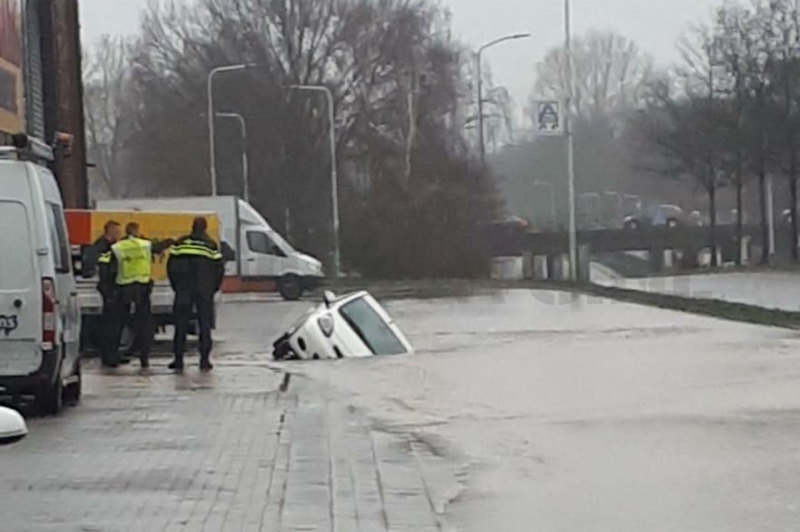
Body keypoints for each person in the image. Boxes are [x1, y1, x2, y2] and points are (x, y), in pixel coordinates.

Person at [103, 222, 169, 370]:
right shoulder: (145, 244)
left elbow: (109, 269)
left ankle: (112, 357)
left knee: (117, 324)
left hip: (123, 289)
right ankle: (144, 358)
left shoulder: (117, 247)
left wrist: (110, 289)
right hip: (142, 288)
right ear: (137, 231)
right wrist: (172, 241)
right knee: (144, 324)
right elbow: (159, 247)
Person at [167, 217, 224, 372]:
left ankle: (178, 360)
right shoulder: (211, 245)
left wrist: (176, 286)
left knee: (181, 325)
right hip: (204, 291)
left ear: (192, 227)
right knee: (204, 325)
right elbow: (219, 269)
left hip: (183, 290)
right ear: (204, 228)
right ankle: (204, 361)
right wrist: (213, 288)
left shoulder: (180, 243)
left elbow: (170, 266)